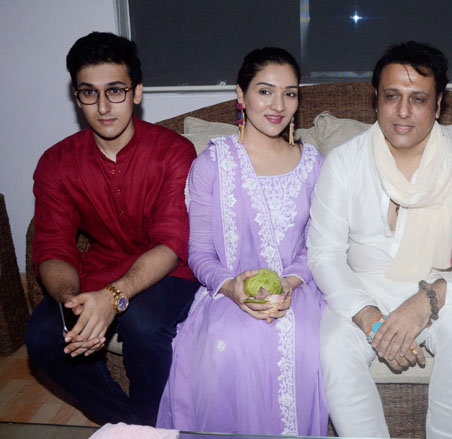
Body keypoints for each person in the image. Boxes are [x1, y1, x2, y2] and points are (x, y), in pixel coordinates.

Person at [308, 41, 452, 438]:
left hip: (441, 287)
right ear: (376, 99)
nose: (403, 111)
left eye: (418, 99)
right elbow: (324, 254)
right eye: (392, 97)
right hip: (363, 287)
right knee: (332, 346)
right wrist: (370, 318)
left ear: (438, 105)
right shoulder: (344, 162)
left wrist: (430, 298)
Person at [24, 32, 199, 426]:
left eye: (115, 91)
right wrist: (73, 301)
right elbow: (52, 247)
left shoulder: (174, 152)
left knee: (143, 324)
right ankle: (131, 425)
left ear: (137, 92)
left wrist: (112, 297)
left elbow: (172, 243)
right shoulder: (56, 162)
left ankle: (144, 425)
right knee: (43, 335)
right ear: (77, 97)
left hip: (169, 271)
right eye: (89, 92)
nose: (103, 107)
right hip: (100, 267)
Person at [156, 47, 328, 435]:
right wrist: (232, 287)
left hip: (297, 288)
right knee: (226, 342)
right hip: (228, 290)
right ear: (240, 94)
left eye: (289, 93)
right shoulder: (212, 164)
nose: (278, 105)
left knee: (305, 344)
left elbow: (317, 246)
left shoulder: (313, 164)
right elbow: (199, 251)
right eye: (265, 91)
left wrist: (287, 284)